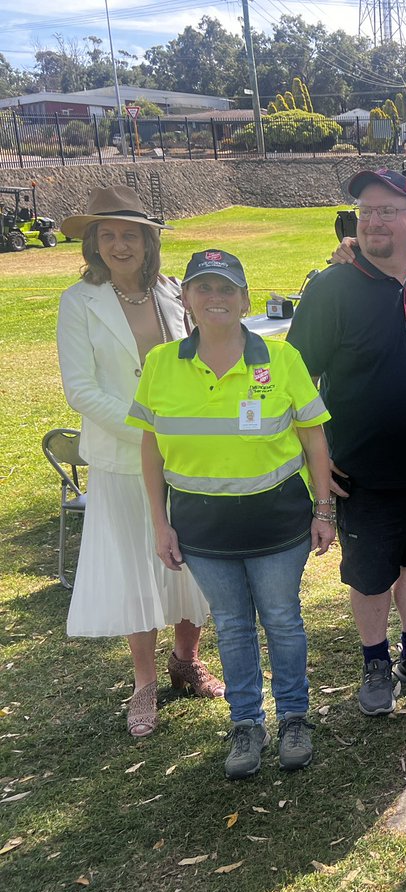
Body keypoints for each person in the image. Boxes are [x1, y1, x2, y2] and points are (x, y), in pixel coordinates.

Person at [129, 249, 336, 780]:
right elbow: (150, 450)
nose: (216, 298)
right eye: (204, 288)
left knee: (283, 621)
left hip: (279, 527)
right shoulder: (161, 365)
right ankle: (246, 723)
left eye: (227, 289)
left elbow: (314, 440)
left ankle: (293, 717)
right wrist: (159, 523)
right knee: (233, 626)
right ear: (187, 299)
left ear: (245, 300)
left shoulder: (281, 360)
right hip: (201, 532)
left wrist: (324, 508)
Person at [289, 169, 406, 717]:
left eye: (388, 210)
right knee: (369, 574)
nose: (374, 222)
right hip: (362, 468)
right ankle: (375, 661)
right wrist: (314, 459)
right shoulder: (330, 288)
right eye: (365, 212)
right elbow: (295, 384)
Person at [56, 185, 221, 740]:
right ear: (93, 243)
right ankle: (145, 683)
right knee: (137, 566)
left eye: (130, 234)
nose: (119, 244)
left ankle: (186, 659)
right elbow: (80, 389)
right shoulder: (78, 303)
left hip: (187, 452)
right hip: (124, 458)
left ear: (149, 241)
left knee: (194, 561)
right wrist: (146, 428)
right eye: (108, 234)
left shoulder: (174, 292)